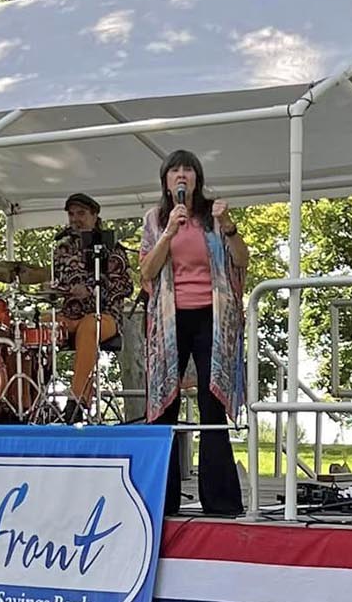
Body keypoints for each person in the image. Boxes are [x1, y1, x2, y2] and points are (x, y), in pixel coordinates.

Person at [137, 151, 248, 516]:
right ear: (166, 181)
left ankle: (220, 500)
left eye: (188, 170)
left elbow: (242, 260)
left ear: (197, 178)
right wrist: (169, 231)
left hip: (212, 316)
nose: (182, 176)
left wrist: (228, 225)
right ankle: (162, 499)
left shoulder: (213, 215)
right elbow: (149, 272)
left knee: (210, 403)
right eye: (175, 171)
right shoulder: (155, 219)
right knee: (164, 406)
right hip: (171, 319)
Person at [50, 193, 134, 421]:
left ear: (95, 216)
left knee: (90, 325)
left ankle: (76, 402)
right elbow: (58, 284)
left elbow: (126, 287)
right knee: (38, 326)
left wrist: (93, 289)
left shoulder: (111, 247)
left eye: (81, 214)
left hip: (105, 316)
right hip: (70, 315)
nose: (75, 219)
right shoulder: (62, 249)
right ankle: (30, 400)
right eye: (71, 214)